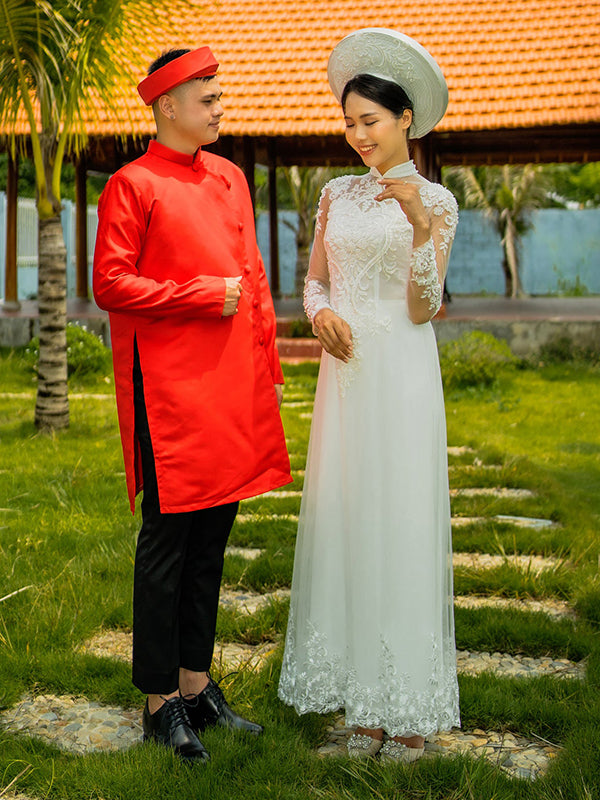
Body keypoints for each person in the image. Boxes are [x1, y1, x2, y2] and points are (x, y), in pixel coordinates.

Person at [93, 46, 292, 763]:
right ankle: (157, 703)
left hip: (232, 383)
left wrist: (267, 364)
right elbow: (110, 282)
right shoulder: (132, 184)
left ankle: (196, 687)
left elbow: (254, 279)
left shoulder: (231, 177)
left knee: (213, 539)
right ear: (167, 105)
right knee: (168, 544)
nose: (218, 109)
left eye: (218, 97)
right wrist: (202, 295)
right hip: (170, 393)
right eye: (207, 99)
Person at [278, 28, 460, 762]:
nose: (358, 136)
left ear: (405, 119)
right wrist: (319, 314)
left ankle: (407, 706)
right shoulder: (335, 195)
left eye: (371, 121)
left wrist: (418, 225)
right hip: (345, 378)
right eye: (349, 122)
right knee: (350, 518)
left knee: (403, 520)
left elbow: (423, 308)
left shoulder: (438, 202)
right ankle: (363, 704)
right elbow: (316, 281)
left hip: (403, 375)